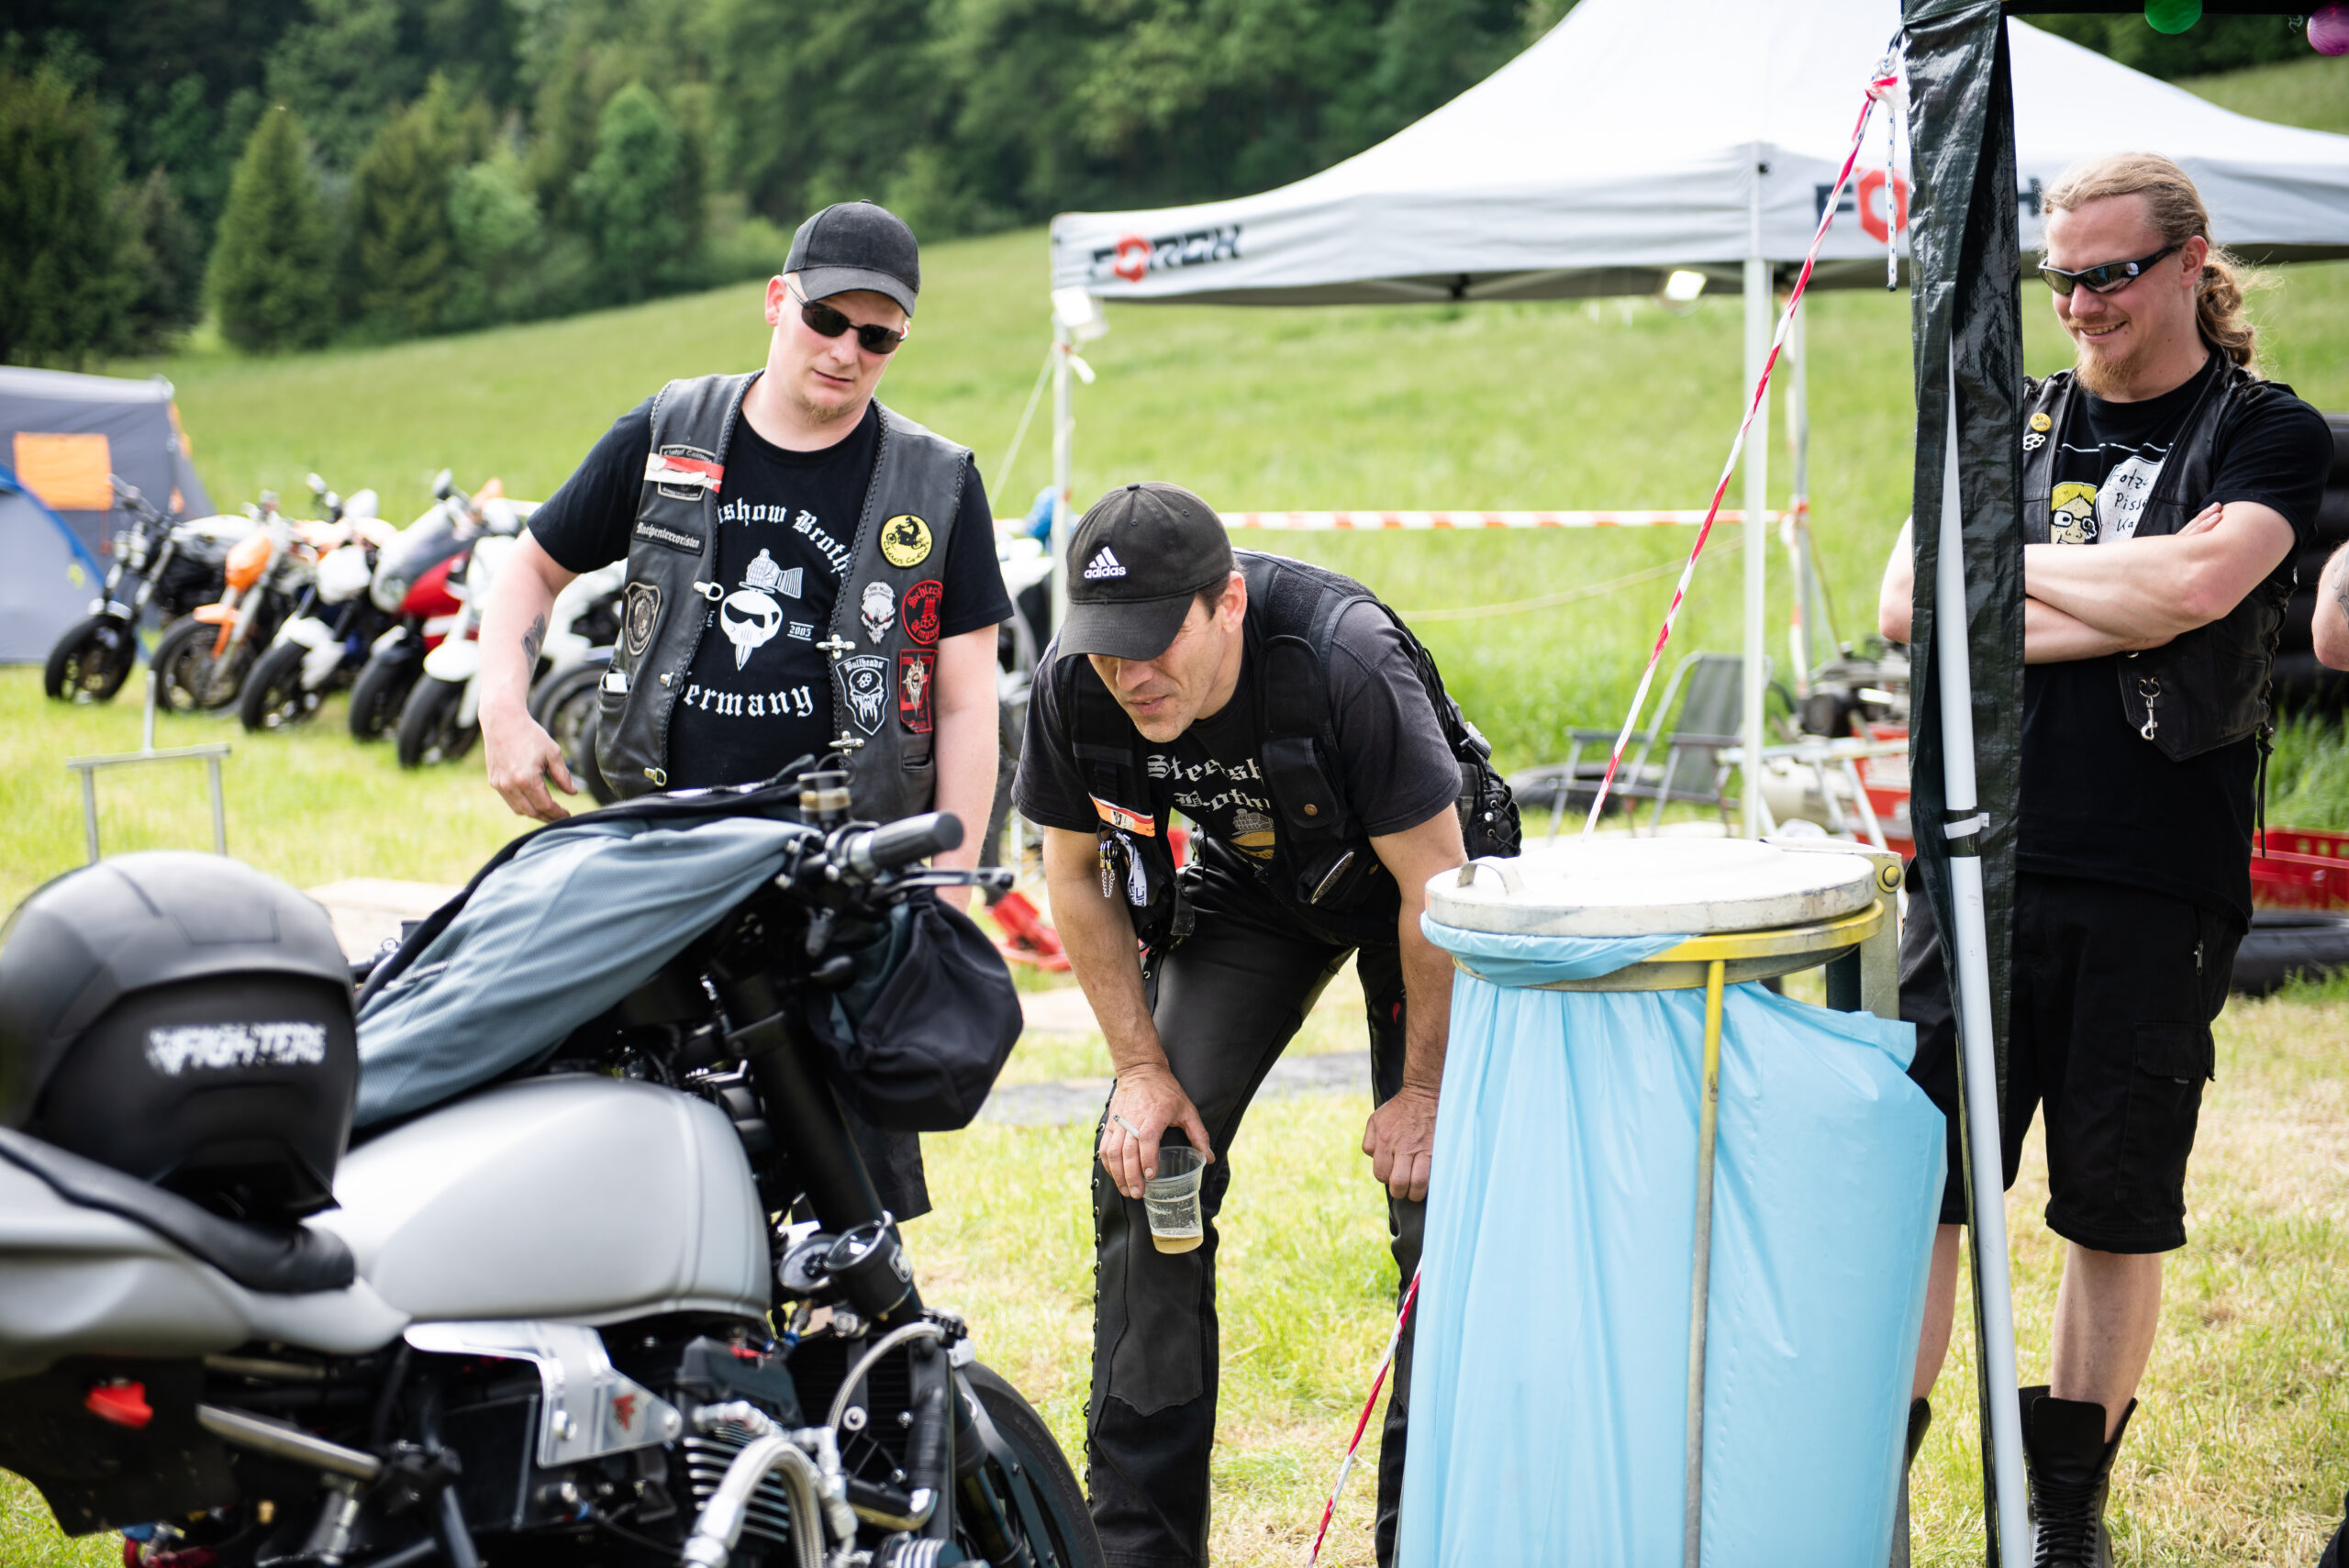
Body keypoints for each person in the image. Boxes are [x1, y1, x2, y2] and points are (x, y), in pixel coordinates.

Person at [1877, 153, 2333, 1564]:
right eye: (2061, 278)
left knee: (2115, 1201)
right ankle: (1875, 1478)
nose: (2079, 304)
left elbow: (2204, 585)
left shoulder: (2267, 431)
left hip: (2155, 867)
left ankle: (2064, 1500)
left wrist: (1995, 574)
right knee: (1926, 1187)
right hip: (1975, 861)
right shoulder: (2004, 417)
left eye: (2111, 275)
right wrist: (2126, 600)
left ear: (2190, 262)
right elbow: (1903, 600)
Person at [1011, 482, 1515, 1568]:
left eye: (1153, 639)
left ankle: (1427, 1540)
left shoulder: (1342, 657)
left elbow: (1434, 885)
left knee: (1437, 1199)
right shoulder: (1076, 684)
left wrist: (1424, 1092)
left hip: (1425, 893)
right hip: (1257, 886)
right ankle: (1140, 1551)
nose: (1128, 673)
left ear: (1227, 602)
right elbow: (1075, 874)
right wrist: (1140, 1069)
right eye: (1106, 645)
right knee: (1147, 1165)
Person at [476, 199, 1011, 1219]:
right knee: (643, 1162)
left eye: (878, 337)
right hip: (664, 853)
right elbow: (531, 570)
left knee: (850, 1196)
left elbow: (966, 703)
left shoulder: (938, 483)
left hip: (845, 876)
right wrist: (503, 707)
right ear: (777, 301)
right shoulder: (668, 430)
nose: (846, 351)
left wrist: (945, 888)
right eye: (827, 319)